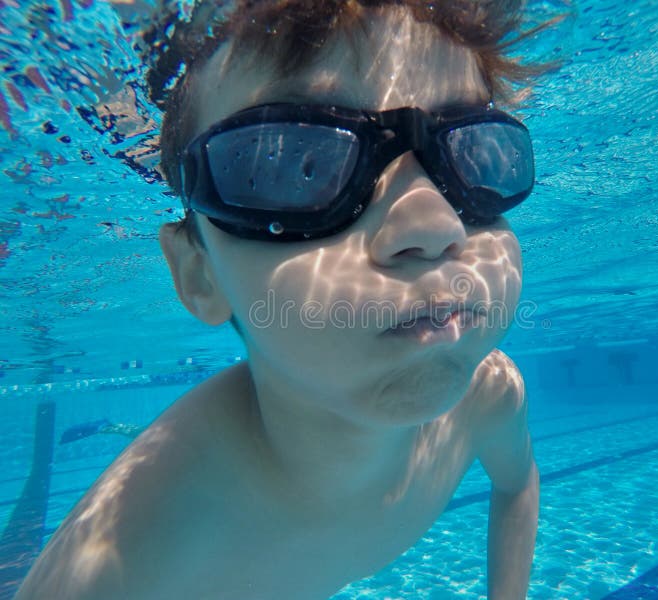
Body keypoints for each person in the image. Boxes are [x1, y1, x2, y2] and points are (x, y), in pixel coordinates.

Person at [17, 1, 555, 598]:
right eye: (296, 163)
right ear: (199, 274)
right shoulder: (118, 563)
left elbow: (517, 485)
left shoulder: (491, 396)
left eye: (473, 151)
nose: (434, 225)